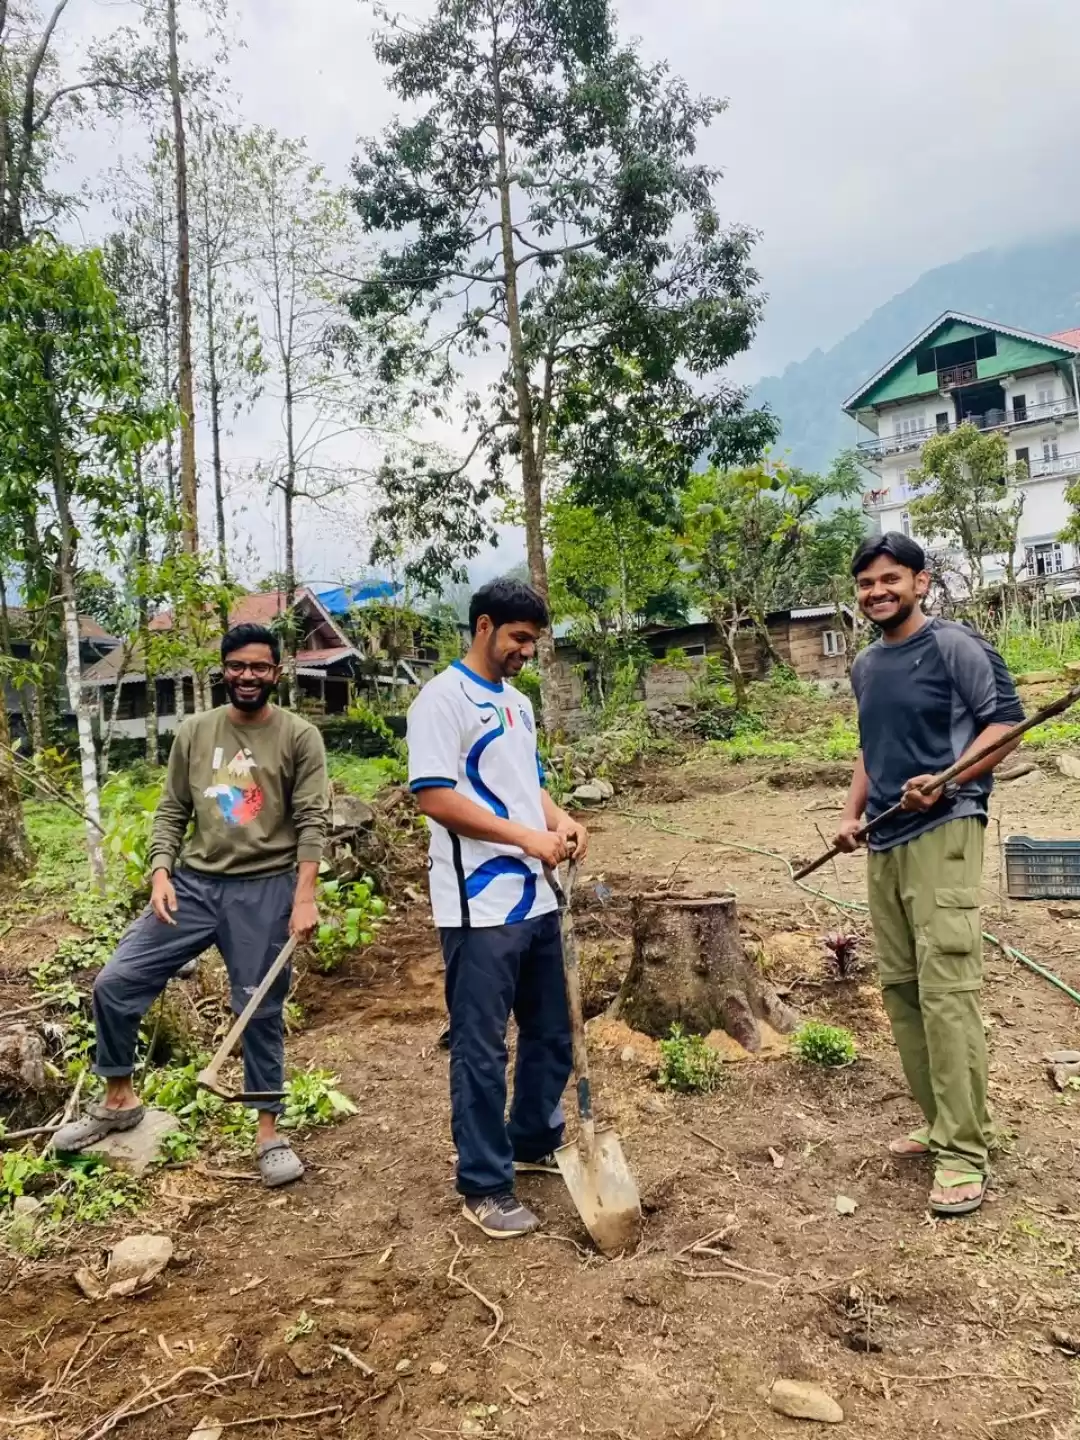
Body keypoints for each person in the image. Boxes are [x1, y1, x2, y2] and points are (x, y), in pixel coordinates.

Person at [53, 623, 328, 1187]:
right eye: (237, 666)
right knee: (115, 981)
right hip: (194, 885)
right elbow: (172, 811)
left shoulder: (299, 736)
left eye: (259, 667)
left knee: (259, 1007)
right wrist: (160, 873)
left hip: (267, 888)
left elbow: (312, 821)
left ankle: (269, 1132)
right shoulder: (195, 733)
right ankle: (119, 1098)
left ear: (276, 672)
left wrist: (304, 897)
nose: (247, 676)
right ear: (222, 670)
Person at [834, 533, 1023, 1216]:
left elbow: (1005, 726)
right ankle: (942, 1121)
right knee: (901, 987)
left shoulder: (954, 647)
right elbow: (869, 745)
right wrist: (852, 813)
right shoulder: (865, 665)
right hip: (884, 839)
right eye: (865, 584)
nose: (877, 592)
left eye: (890, 579)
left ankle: (966, 1152)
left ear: (922, 582)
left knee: (946, 988)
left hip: (945, 830)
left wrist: (945, 783)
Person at [407, 578, 588, 1239]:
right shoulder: (441, 701)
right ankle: (484, 1183)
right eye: (518, 639)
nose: (526, 653)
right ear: (483, 626)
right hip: (477, 906)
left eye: (533, 643)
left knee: (552, 1031)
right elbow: (435, 798)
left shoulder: (517, 703)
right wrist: (527, 840)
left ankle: (532, 1139)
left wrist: (562, 821)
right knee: (482, 1049)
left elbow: (525, 785)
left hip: (536, 896)